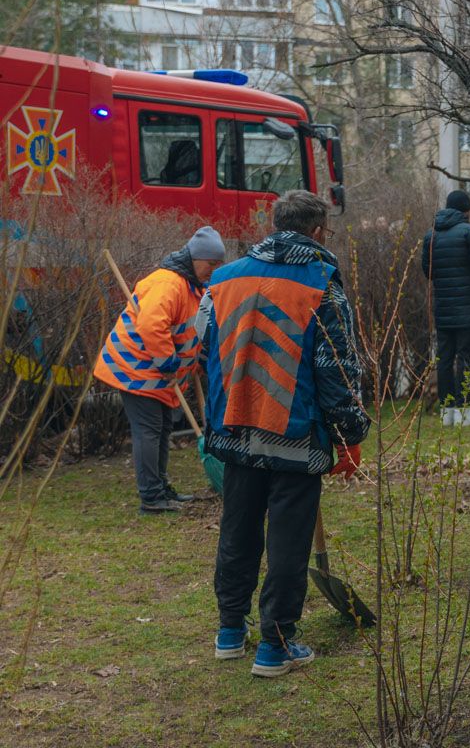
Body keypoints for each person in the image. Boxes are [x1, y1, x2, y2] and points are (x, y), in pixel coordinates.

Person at [199, 190, 369, 678]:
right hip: (294, 432)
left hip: (234, 429)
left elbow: (204, 349)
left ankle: (231, 630)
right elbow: (335, 368)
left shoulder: (221, 280)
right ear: (317, 232)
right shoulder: (320, 283)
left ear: (275, 225)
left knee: (238, 530)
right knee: (288, 541)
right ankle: (275, 645)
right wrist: (350, 433)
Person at [94, 227, 225, 514]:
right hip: (135, 367)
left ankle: (161, 489)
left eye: (219, 266)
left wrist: (199, 359)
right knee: (149, 431)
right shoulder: (168, 283)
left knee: (163, 428)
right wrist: (168, 362)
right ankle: (151, 498)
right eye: (211, 265)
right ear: (195, 258)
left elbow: (191, 328)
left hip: (157, 371)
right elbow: (152, 325)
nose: (214, 271)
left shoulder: (195, 287)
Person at [421, 190, 470, 426]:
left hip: (443, 309)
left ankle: (446, 412)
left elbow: (428, 272)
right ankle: (463, 410)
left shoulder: (431, 235)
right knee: (467, 358)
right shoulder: (469, 233)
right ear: (466, 210)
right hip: (468, 308)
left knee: (444, 358)